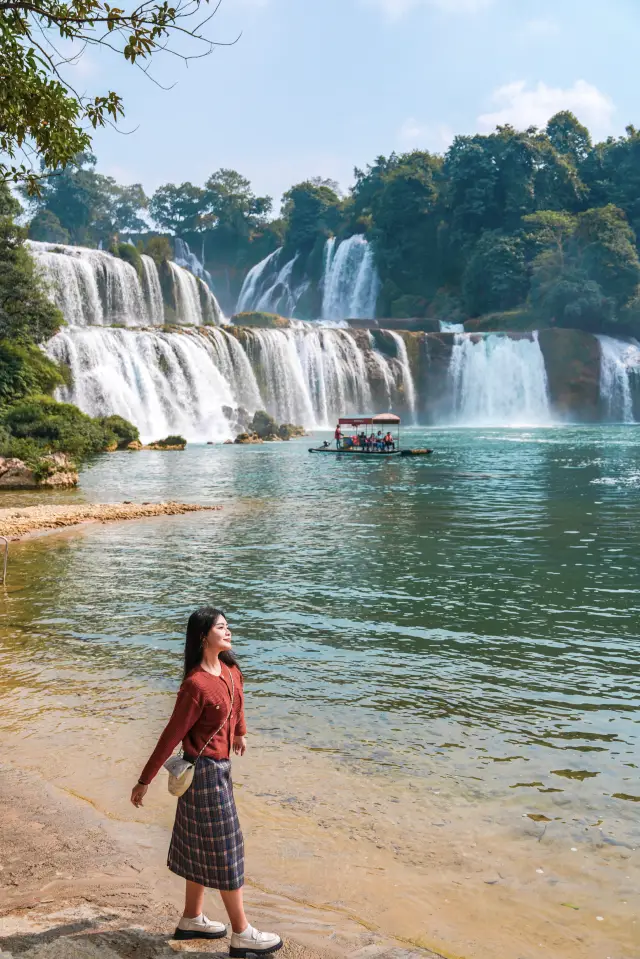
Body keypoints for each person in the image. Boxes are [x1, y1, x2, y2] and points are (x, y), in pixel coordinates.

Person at [131, 608, 282, 955]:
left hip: (221, 769)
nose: (228, 631)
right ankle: (242, 933)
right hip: (204, 775)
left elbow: (237, 702)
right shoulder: (195, 685)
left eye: (228, 626)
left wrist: (240, 732)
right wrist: (145, 780)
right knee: (228, 849)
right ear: (203, 636)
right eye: (221, 627)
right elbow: (171, 735)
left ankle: (191, 918)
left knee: (199, 845)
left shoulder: (231, 671)